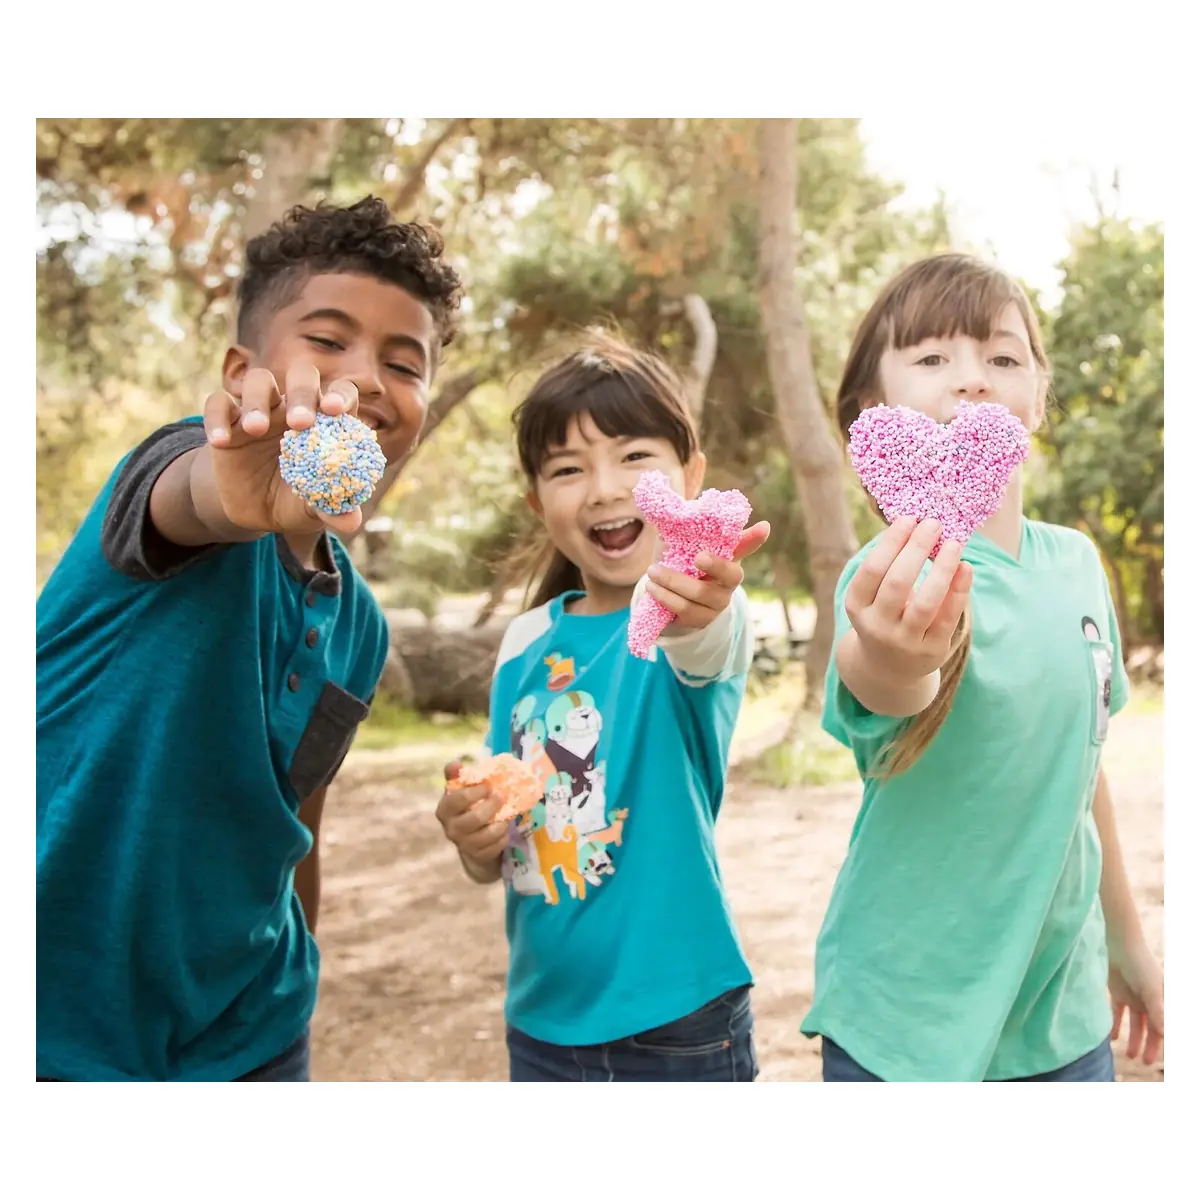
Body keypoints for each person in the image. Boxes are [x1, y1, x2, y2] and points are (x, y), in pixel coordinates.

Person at [36, 196, 463, 1081]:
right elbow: (195, 496)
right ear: (243, 372)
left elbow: (296, 826)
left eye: (403, 362)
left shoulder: (361, 628)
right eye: (328, 339)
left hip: (254, 1035)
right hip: (54, 1027)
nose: (367, 377)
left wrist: (302, 969)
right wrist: (231, 494)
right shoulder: (170, 489)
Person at [800, 253, 1165, 1082]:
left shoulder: (1077, 565)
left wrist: (1128, 944)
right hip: (903, 1026)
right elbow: (887, 676)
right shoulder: (884, 583)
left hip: (1062, 1022)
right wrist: (895, 653)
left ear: (1037, 395)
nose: (971, 378)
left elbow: (1083, 769)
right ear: (870, 409)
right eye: (932, 357)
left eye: (1002, 356)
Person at [435, 339, 770, 1082]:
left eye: (634, 457)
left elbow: (705, 634)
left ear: (690, 477)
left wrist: (703, 597)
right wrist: (474, 835)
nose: (604, 489)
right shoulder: (524, 642)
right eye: (567, 468)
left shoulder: (692, 615)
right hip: (541, 1022)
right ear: (536, 502)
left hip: (678, 1022)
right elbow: (503, 845)